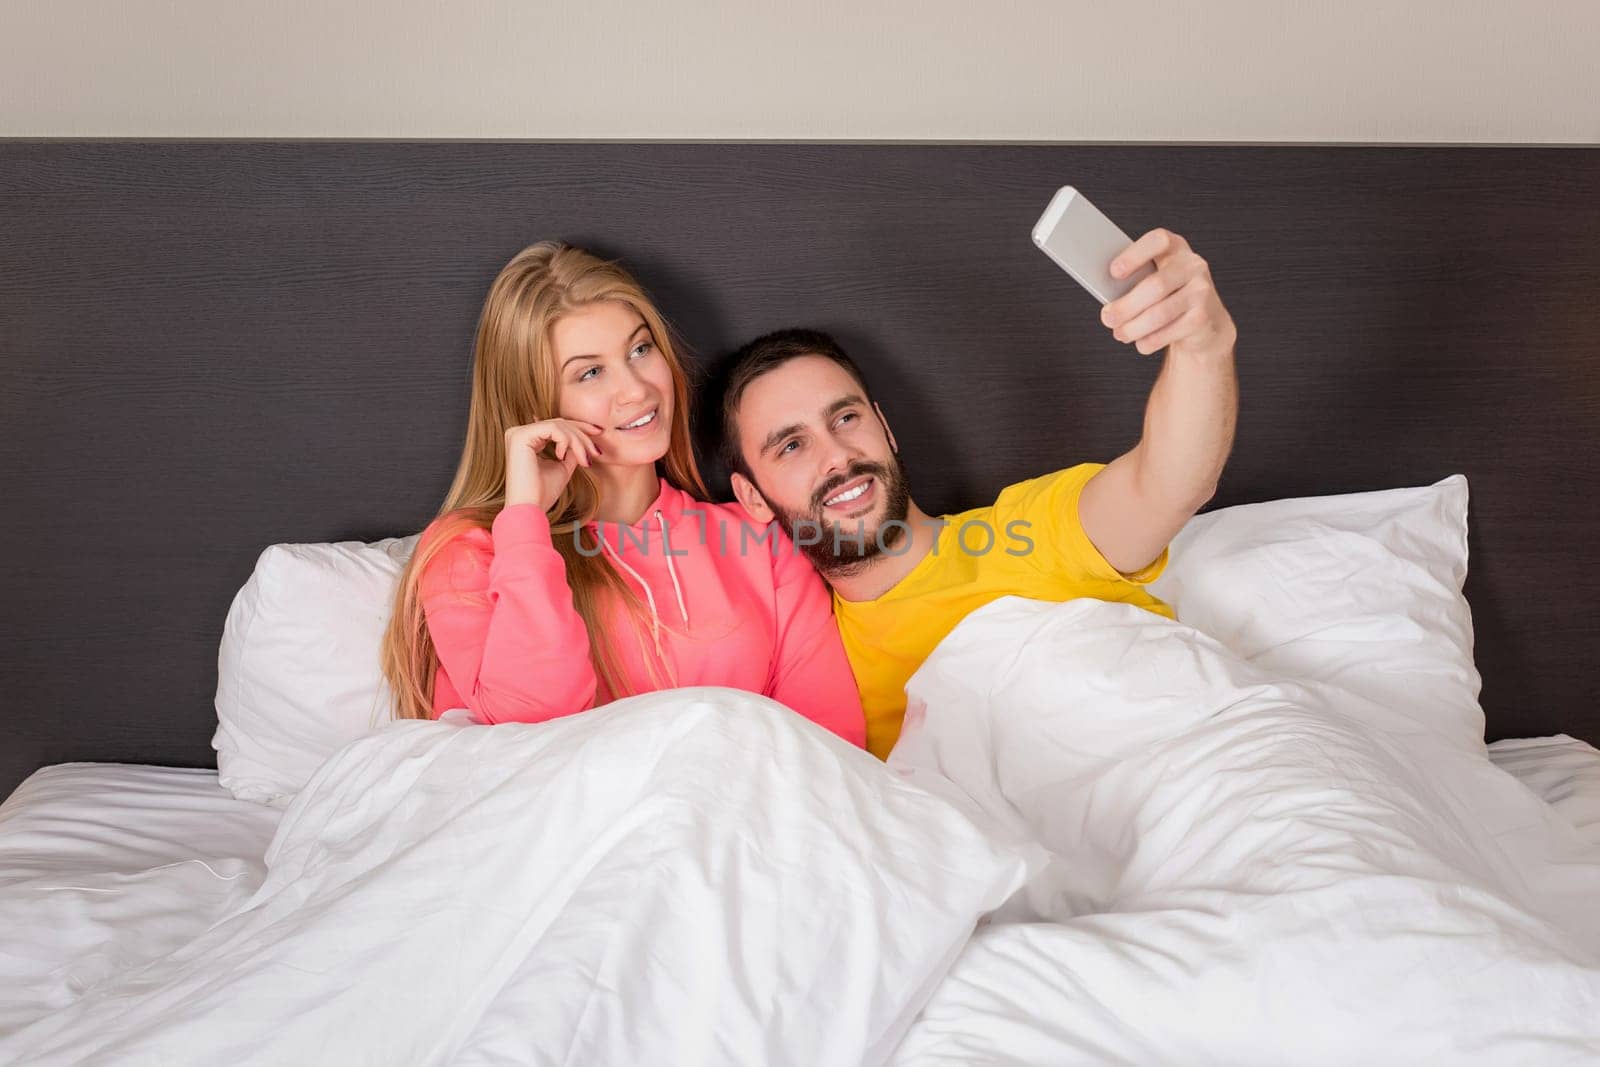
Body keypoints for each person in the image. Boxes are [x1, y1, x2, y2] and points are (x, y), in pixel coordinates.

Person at [715, 227, 1238, 759]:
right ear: (752, 497)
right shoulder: (818, 676)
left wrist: (1203, 346)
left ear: (885, 428)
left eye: (846, 417)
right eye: (792, 446)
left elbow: (1170, 483)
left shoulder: (1027, 527)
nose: (837, 457)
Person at [379, 240, 866, 748]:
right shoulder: (473, 550)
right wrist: (526, 517)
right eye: (590, 372)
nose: (637, 388)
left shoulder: (761, 544)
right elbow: (531, 730)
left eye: (640, 349)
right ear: (536, 402)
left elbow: (830, 745)